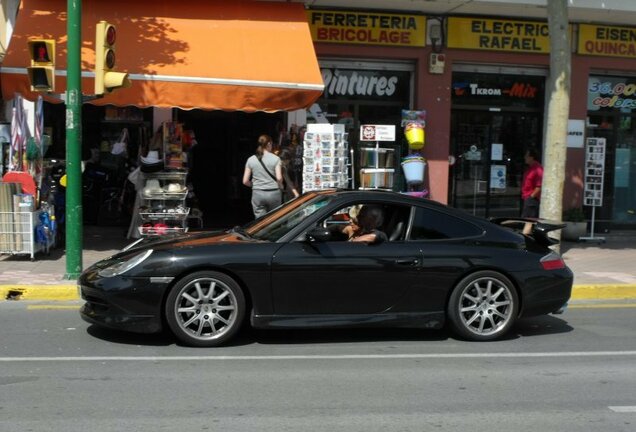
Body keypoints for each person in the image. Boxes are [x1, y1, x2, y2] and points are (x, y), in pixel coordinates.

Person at [243, 134, 283, 218]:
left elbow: (245, 181)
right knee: (274, 219)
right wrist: (280, 185)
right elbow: (279, 178)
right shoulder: (276, 159)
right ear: (268, 144)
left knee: (260, 221)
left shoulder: (250, 159)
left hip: (258, 193)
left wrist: (255, 185)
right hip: (274, 193)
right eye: (271, 144)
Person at [521, 148, 543, 235]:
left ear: (532, 157)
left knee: (528, 221)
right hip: (527, 198)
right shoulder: (530, 168)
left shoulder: (538, 169)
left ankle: (524, 240)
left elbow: (539, 185)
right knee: (528, 221)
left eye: (526, 156)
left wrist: (531, 197)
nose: (524, 157)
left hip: (532, 200)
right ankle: (527, 240)